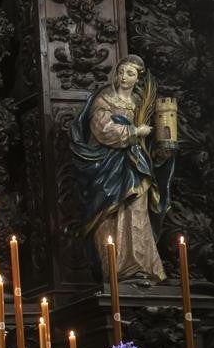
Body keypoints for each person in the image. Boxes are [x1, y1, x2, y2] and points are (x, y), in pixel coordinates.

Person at [70, 54, 173, 284]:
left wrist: (161, 150)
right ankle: (115, 269)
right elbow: (102, 129)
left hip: (135, 166)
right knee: (109, 214)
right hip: (107, 166)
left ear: (138, 78)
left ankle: (141, 267)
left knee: (136, 212)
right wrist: (134, 132)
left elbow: (150, 143)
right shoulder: (105, 98)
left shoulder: (140, 104)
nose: (124, 77)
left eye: (130, 73)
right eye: (121, 71)